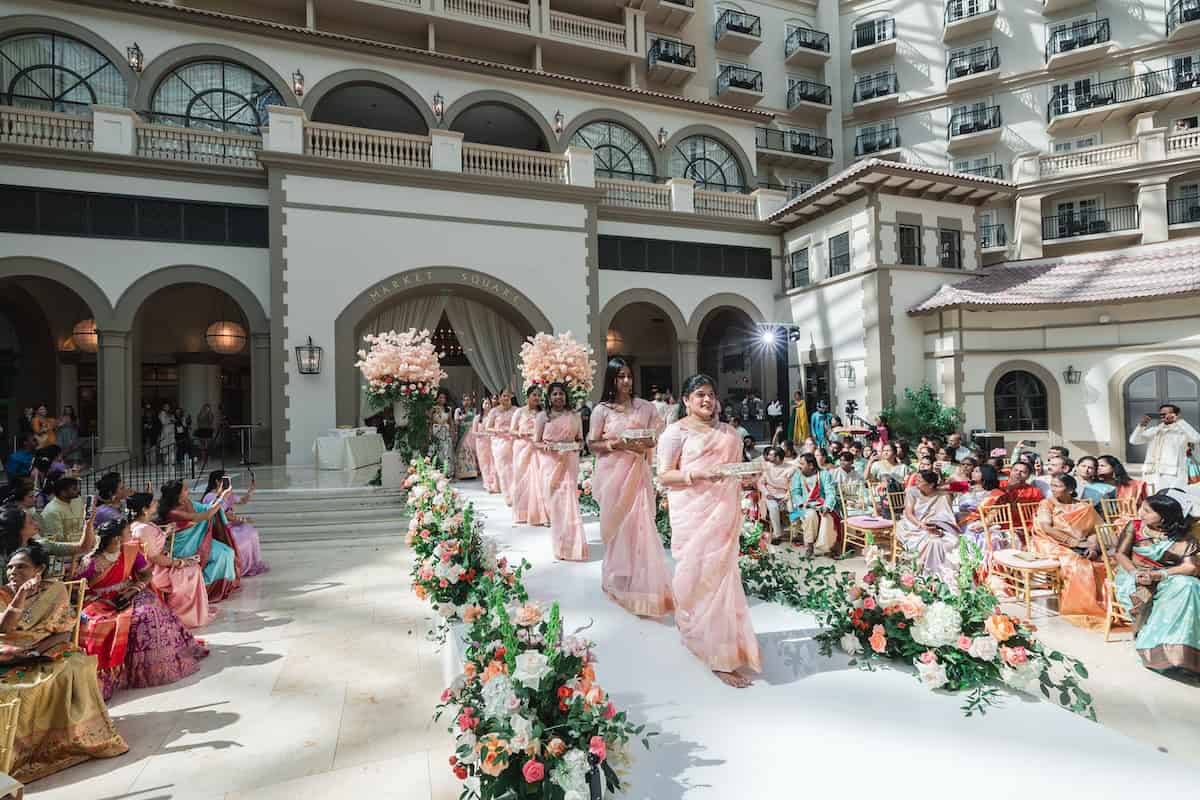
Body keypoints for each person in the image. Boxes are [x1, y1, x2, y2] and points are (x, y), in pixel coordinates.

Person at [657, 373, 761, 688]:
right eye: (700, 394)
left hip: (724, 513)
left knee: (721, 579)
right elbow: (664, 475)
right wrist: (698, 474)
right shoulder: (675, 433)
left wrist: (750, 477)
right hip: (693, 515)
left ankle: (722, 654)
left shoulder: (729, 433)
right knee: (694, 578)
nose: (707, 399)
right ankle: (695, 629)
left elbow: (736, 471)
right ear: (686, 400)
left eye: (711, 394)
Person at [0, 544, 128, 782]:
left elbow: (64, 631)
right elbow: (4, 629)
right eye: (9, 568)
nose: (13, 572)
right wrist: (20, 596)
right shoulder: (3, 593)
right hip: (8, 652)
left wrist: (36, 652)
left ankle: (44, 748)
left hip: (43, 650)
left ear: (39, 569)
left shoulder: (54, 589)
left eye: (21, 567)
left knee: (72, 668)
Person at [73, 517, 209, 700]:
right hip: (100, 602)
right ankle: (117, 673)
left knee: (149, 612)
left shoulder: (130, 551)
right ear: (116, 539)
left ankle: (156, 665)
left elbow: (146, 575)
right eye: (128, 532)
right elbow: (76, 588)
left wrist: (134, 590)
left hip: (130, 592)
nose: (131, 534)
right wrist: (98, 598)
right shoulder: (91, 562)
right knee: (105, 623)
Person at [588, 357, 674, 618]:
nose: (626, 381)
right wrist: (617, 444)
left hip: (637, 472)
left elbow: (654, 437)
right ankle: (618, 574)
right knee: (618, 524)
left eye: (629, 376)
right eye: (620, 376)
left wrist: (643, 443)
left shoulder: (645, 407)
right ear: (611, 379)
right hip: (612, 474)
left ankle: (641, 580)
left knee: (640, 523)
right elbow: (592, 444)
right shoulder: (602, 410)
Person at [1113, 489, 1200, 675]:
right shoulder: (1135, 527)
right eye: (1142, 508)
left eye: (1147, 511)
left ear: (1163, 518)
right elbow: (1120, 554)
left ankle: (1184, 654)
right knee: (1145, 595)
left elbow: (1190, 567)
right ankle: (1156, 651)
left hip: (1166, 576)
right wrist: (1135, 572)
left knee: (1190, 586)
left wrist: (1159, 575)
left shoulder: (1182, 536)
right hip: (1133, 576)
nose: (1141, 513)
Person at [128, 492, 216, 628]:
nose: (156, 503)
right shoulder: (143, 529)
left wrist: (165, 532)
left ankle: (193, 612)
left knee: (193, 566)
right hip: (154, 571)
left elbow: (151, 544)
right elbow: (155, 558)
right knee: (193, 570)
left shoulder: (140, 524)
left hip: (156, 564)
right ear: (145, 509)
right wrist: (180, 563)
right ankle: (185, 616)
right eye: (153, 502)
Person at [1027, 474, 1104, 626]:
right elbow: (1046, 528)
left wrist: (1093, 547)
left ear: (1070, 489)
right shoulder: (1047, 504)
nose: (1053, 489)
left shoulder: (1083, 507)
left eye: (1057, 486)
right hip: (1050, 542)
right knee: (1078, 563)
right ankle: (1080, 608)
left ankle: (1103, 604)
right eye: (1052, 485)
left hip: (1082, 544)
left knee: (1104, 563)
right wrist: (1074, 542)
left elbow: (1094, 530)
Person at [158, 479, 240, 602]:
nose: (188, 491)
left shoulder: (187, 502)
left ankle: (220, 587)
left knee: (228, 552)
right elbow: (205, 515)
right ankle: (202, 589)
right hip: (185, 546)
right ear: (177, 495)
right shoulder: (174, 512)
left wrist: (218, 496)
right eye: (185, 489)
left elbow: (207, 508)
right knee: (223, 555)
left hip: (198, 539)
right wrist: (222, 498)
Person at [534, 382, 588, 562]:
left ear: (566, 396)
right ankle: (560, 544)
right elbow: (536, 442)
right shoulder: (543, 417)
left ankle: (573, 545)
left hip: (569, 462)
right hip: (550, 464)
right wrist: (546, 447)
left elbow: (580, 440)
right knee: (556, 505)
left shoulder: (574, 416)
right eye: (555, 394)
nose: (558, 397)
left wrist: (577, 446)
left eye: (561, 394)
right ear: (549, 398)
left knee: (569, 502)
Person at [895, 470, 961, 588]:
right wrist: (921, 525)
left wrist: (940, 487)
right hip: (913, 525)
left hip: (936, 525)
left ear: (931, 484)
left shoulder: (942, 495)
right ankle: (924, 571)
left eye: (920, 480)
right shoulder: (912, 491)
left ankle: (940, 574)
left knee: (946, 541)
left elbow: (965, 487)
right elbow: (909, 513)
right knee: (929, 539)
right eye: (917, 479)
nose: (916, 482)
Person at [202, 470, 269, 577]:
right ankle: (240, 566)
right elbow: (221, 515)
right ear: (217, 482)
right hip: (220, 529)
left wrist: (251, 491)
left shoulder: (226, 493)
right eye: (225, 479)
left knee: (251, 531)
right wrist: (242, 519)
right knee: (244, 537)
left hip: (230, 524)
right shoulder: (210, 497)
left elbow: (242, 500)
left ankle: (251, 564)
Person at [1129, 404, 1200, 492]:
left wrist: (1179, 421)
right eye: (1162, 413)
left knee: (1173, 498)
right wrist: (1141, 425)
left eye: (1168, 413)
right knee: (1152, 499)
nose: (1164, 415)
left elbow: (1197, 439)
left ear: (1176, 415)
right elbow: (1133, 440)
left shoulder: (1182, 431)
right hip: (1151, 473)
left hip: (1173, 475)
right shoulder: (1154, 430)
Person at [510, 387, 550, 527]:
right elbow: (512, 430)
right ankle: (523, 512)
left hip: (538, 448)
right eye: (534, 395)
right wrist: (522, 433)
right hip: (522, 448)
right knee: (522, 479)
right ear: (528, 396)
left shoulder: (543, 413)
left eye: (539, 395)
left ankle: (539, 514)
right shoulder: (519, 412)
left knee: (539, 479)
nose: (537, 398)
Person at [789, 453, 836, 556]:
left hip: (821, 504)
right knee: (810, 515)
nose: (799, 466)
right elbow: (795, 492)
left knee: (826, 517)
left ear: (811, 465)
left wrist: (827, 506)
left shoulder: (824, 474)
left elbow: (830, 492)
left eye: (802, 464)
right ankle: (809, 545)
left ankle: (826, 547)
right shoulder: (798, 475)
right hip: (804, 506)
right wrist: (801, 504)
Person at [757, 446, 796, 543]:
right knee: (773, 507)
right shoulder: (767, 467)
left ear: (778, 457)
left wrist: (787, 496)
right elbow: (760, 483)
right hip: (771, 494)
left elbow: (794, 486)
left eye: (771, 455)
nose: (768, 456)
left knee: (793, 507)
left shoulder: (791, 468)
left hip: (787, 494)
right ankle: (777, 535)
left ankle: (795, 533)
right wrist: (766, 493)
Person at [488, 390, 518, 506]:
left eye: (508, 396)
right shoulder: (494, 411)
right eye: (504, 396)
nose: (506, 398)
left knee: (515, 468)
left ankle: (516, 494)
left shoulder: (516, 410)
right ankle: (508, 496)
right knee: (504, 470)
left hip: (514, 442)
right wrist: (498, 430)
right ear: (500, 397)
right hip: (499, 443)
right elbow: (488, 427)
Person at [36, 475, 85, 544]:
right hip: (68, 548)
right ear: (63, 492)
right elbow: (57, 542)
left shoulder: (77, 500)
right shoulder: (52, 511)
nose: (78, 491)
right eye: (74, 489)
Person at [1004, 461, 1044, 537]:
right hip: (999, 527)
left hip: (1024, 528)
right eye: (1015, 470)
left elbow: (1039, 513)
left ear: (1028, 476)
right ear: (1010, 471)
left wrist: (1028, 529)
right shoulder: (999, 485)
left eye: (1023, 472)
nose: (1018, 473)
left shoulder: (1035, 491)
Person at [429, 389, 456, 478]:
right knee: (437, 452)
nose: (442, 399)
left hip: (445, 433)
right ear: (437, 398)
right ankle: (437, 473)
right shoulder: (433, 409)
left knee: (446, 452)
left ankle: (447, 473)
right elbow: (430, 422)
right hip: (436, 433)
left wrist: (453, 434)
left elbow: (451, 422)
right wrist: (430, 434)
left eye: (444, 398)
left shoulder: (448, 409)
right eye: (440, 397)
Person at [474, 397, 499, 493]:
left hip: (492, 442)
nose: (487, 405)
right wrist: (483, 434)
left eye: (488, 403)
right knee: (484, 464)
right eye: (485, 403)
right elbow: (474, 432)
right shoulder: (477, 418)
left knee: (493, 462)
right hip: (481, 443)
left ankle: (494, 483)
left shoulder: (493, 417)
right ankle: (487, 484)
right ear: (482, 405)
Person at [454, 397, 479, 480]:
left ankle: (472, 472)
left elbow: (476, 421)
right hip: (462, 433)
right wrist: (463, 418)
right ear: (462, 401)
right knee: (463, 452)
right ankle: (462, 473)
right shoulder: (458, 410)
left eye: (468, 400)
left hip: (471, 434)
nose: (466, 402)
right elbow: (456, 421)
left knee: (471, 452)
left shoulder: (473, 410)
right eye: (465, 400)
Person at [195, 402, 215, 471]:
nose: (206, 409)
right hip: (201, 430)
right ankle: (203, 458)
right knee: (202, 445)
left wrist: (208, 414)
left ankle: (208, 457)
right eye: (205, 408)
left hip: (208, 430)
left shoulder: (210, 414)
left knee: (207, 445)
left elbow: (211, 421)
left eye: (208, 408)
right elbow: (198, 421)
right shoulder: (200, 414)